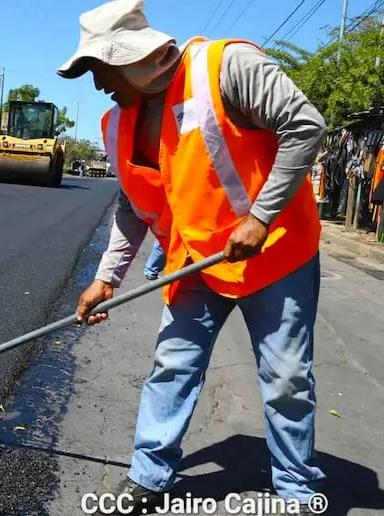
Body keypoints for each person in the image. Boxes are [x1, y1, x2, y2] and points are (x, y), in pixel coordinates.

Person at [57, 1, 327, 514]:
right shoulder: (117, 123)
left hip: (276, 253)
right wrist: (107, 278)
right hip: (197, 258)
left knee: (287, 378)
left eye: (101, 70)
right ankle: (148, 476)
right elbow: (135, 202)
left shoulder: (225, 68)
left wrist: (261, 217)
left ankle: (295, 491)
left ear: (135, 59)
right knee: (172, 365)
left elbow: (305, 125)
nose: (98, 86)